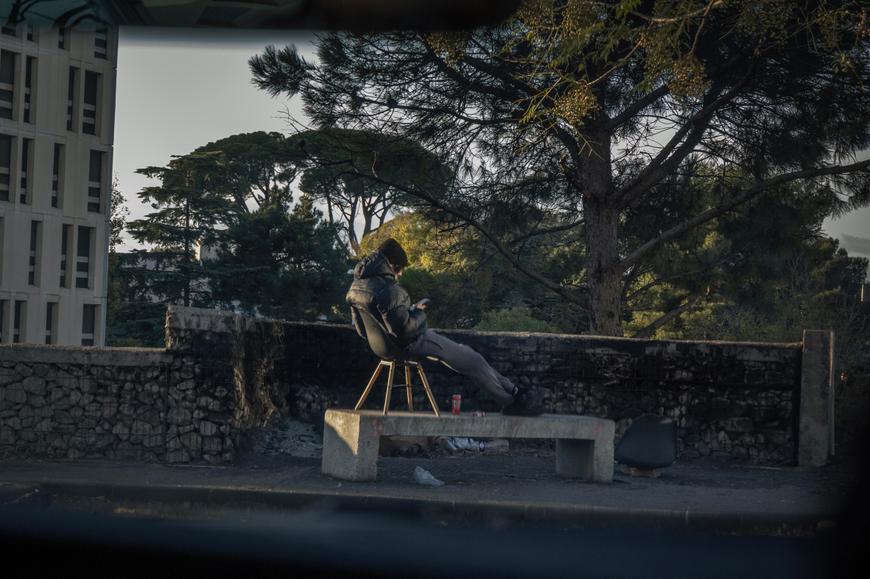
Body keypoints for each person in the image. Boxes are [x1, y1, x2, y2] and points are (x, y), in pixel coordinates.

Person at [346, 238, 543, 416]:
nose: (401, 273)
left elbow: (361, 330)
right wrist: (419, 312)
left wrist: (406, 315)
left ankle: (513, 390)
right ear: (393, 265)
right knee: (474, 360)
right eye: (401, 268)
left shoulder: (356, 286)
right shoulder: (389, 289)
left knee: (468, 354)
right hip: (411, 343)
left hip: (382, 348)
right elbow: (405, 330)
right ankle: (511, 402)